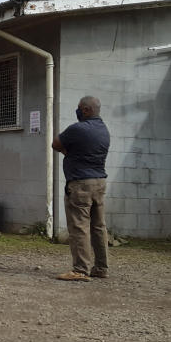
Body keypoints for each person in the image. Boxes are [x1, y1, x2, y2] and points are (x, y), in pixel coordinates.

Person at [52, 95, 111, 281]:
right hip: (99, 182)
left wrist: (66, 152)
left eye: (79, 108)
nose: (77, 111)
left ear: (86, 110)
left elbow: (55, 143)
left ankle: (80, 269)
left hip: (80, 184)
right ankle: (101, 268)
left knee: (79, 227)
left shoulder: (78, 129)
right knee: (98, 227)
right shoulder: (104, 130)